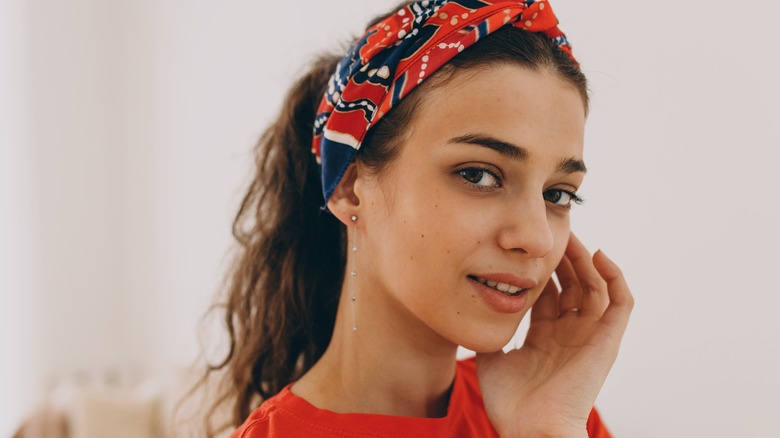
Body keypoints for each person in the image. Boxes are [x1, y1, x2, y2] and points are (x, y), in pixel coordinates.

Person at [198, 1, 634, 436]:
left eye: (557, 194)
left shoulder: (554, 412)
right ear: (350, 187)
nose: (537, 238)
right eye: (478, 175)